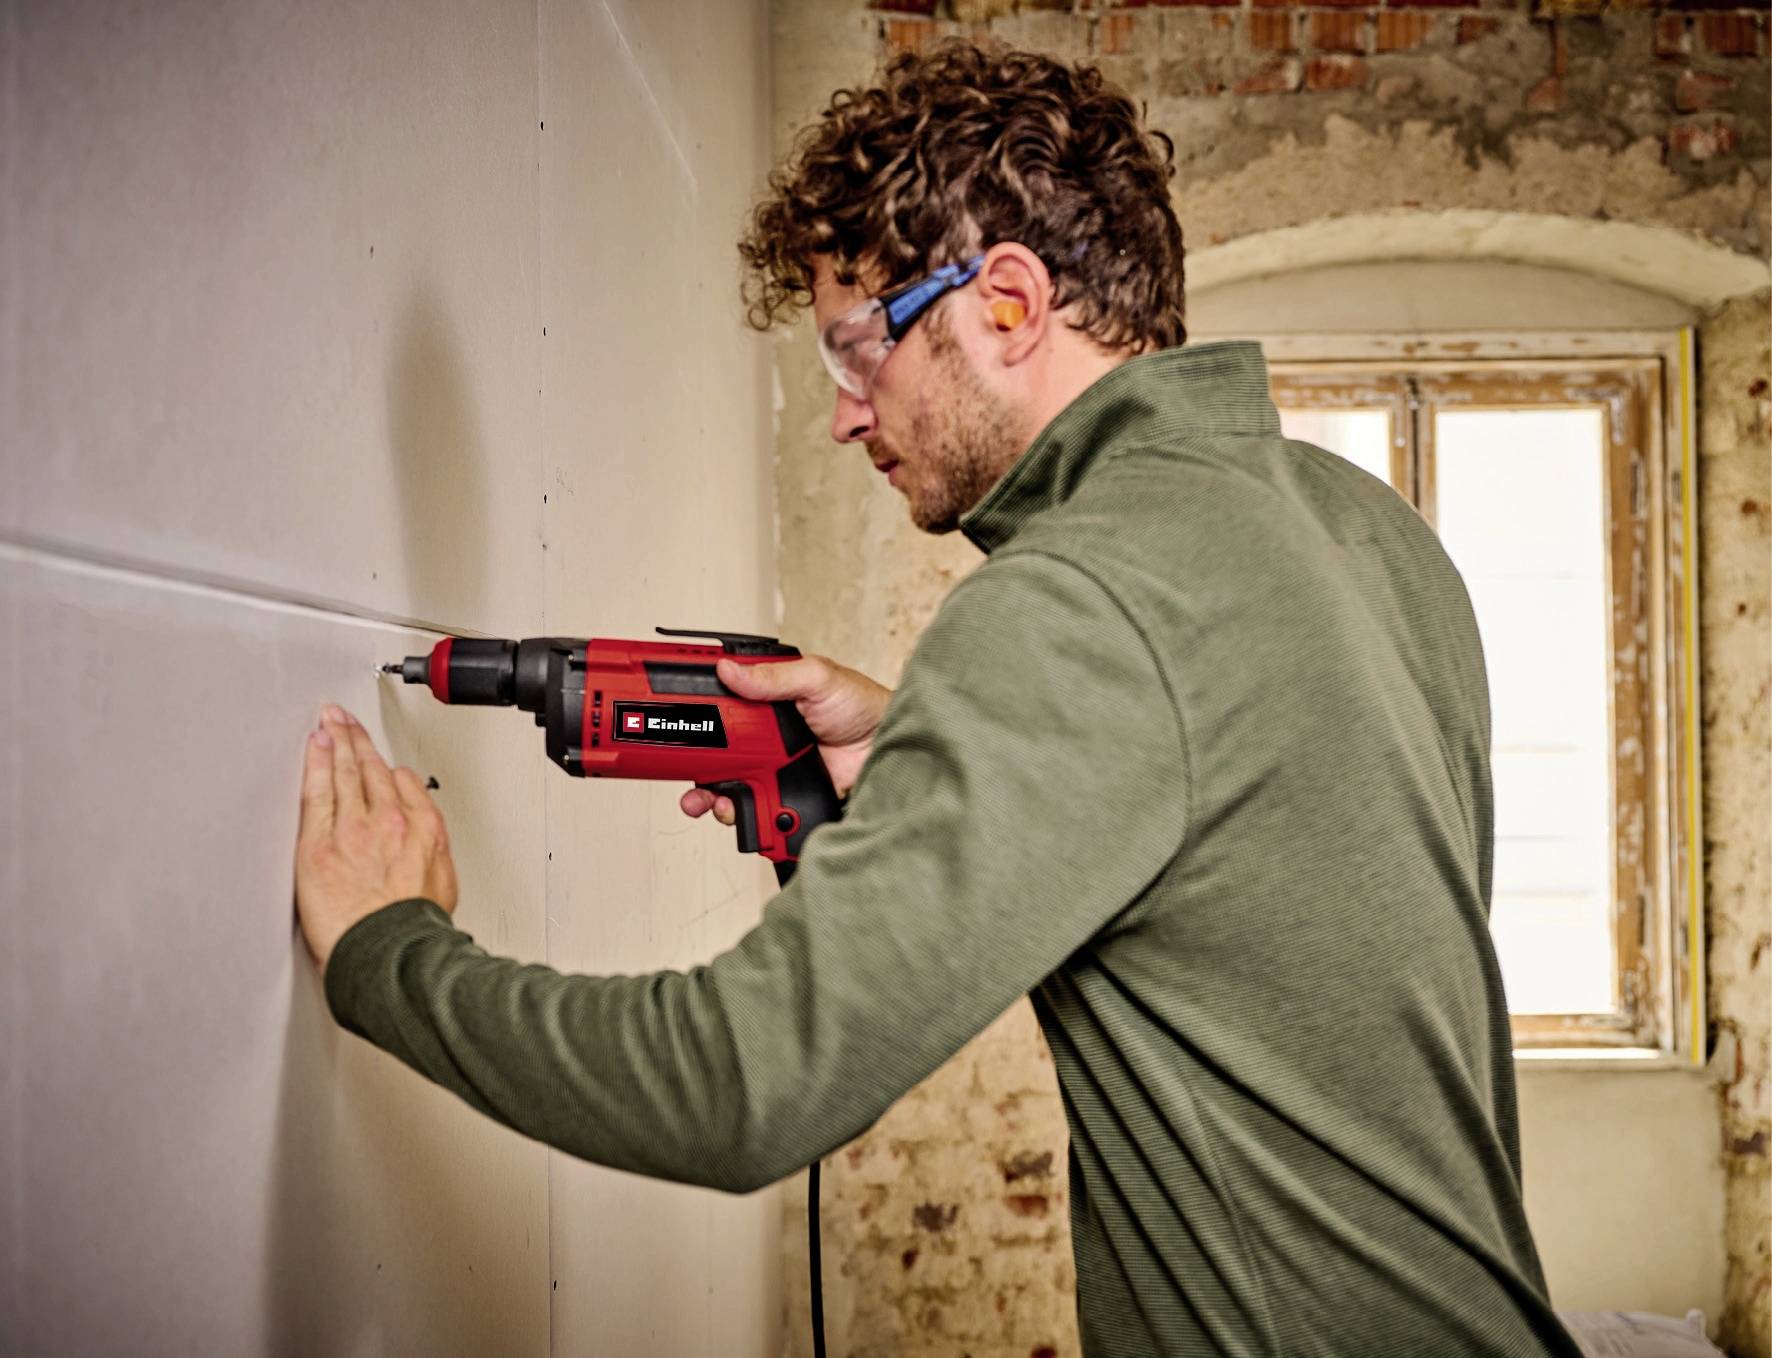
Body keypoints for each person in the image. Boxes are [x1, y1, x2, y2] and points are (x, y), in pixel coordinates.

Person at [295, 42, 1581, 1357]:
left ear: (1011, 304)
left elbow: (743, 1083)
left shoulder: (1078, 601)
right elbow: (1275, 907)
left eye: (859, 350)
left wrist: (390, 954)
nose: (849, 416)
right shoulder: (1368, 534)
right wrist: (925, 735)